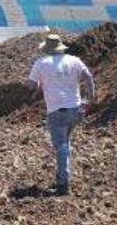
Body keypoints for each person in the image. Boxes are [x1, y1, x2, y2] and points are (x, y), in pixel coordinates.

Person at [28, 34, 95, 196]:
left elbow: (31, 85)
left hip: (57, 111)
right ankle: (61, 175)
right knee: (66, 141)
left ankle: (63, 184)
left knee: (61, 146)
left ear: (46, 49)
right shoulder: (75, 61)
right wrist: (89, 100)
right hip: (76, 110)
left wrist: (39, 84)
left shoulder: (41, 63)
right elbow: (88, 77)